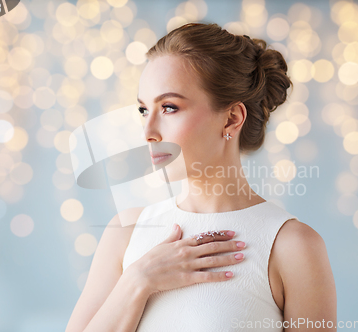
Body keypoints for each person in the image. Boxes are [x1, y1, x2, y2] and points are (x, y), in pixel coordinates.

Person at [65, 22, 336, 332]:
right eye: (143, 110)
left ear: (232, 118)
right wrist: (138, 280)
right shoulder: (125, 233)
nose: (148, 132)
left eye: (169, 107)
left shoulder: (292, 247)